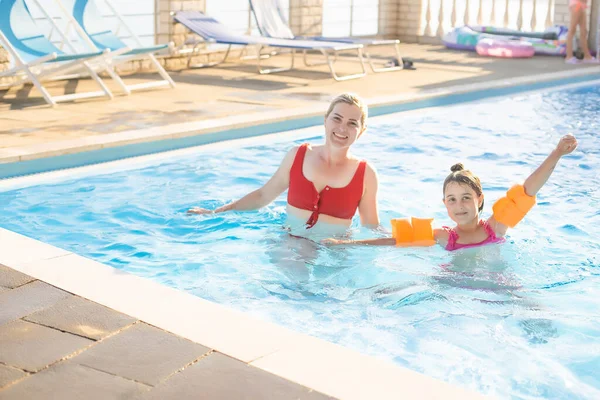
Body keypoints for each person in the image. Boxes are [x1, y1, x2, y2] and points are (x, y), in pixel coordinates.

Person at [323, 135, 578, 250]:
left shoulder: (496, 227)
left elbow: (527, 191)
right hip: (452, 288)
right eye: (452, 200)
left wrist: (556, 154)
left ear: (479, 199)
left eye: (467, 197)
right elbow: (394, 240)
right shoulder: (443, 237)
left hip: (498, 287)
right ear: (444, 204)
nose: (460, 206)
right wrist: (347, 243)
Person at [187, 93, 380, 236]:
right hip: (290, 241)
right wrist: (215, 213)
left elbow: (371, 228)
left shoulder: (366, 174)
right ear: (325, 120)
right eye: (336, 118)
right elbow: (263, 195)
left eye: (352, 123)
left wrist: (399, 239)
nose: (341, 128)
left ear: (362, 131)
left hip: (337, 252)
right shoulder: (298, 155)